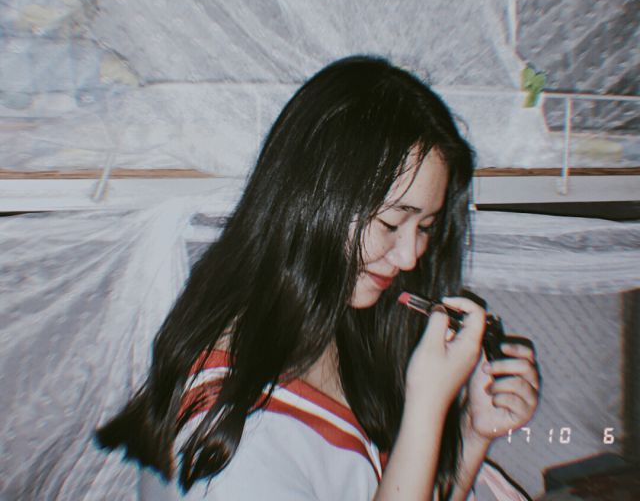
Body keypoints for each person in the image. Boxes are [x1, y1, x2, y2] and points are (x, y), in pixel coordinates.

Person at [97, 56, 539, 500]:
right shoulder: (228, 435)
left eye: (424, 228)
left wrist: (472, 432)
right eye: (390, 223)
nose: (409, 258)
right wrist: (428, 405)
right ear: (314, 200)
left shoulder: (338, 326)